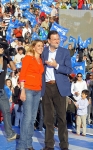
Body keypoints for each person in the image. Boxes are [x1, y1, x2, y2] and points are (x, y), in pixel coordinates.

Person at [41, 30, 72, 150]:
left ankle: (64, 145)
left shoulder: (65, 52)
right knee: (48, 118)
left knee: (62, 118)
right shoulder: (43, 52)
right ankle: (49, 144)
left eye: (58, 38)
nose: (57, 41)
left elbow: (69, 70)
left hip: (59, 87)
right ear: (49, 41)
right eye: (54, 39)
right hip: (46, 87)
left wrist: (56, 65)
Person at [16, 40, 44, 150]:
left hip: (37, 90)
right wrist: (22, 90)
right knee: (27, 118)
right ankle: (22, 146)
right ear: (33, 47)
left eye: (42, 46)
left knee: (32, 119)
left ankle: (29, 143)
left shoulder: (40, 60)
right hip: (28, 89)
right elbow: (22, 73)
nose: (41, 47)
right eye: (38, 45)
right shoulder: (28, 58)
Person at [0, 43, 19, 141]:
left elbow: (14, 68)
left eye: (3, 48)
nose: (1, 50)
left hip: (1, 90)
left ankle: (10, 134)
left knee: (7, 111)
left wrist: (8, 57)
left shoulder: (5, 59)